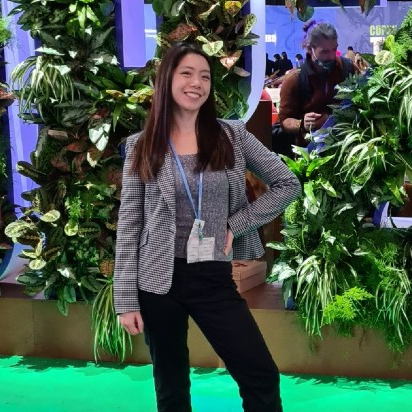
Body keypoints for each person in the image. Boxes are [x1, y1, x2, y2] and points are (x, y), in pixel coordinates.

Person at [114, 42, 300, 412]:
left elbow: (287, 184)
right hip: (156, 281)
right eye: (186, 73)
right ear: (166, 80)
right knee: (171, 388)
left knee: (260, 373)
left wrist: (238, 223)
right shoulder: (140, 146)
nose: (196, 83)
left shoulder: (232, 136)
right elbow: (130, 222)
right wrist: (125, 300)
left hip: (212, 275)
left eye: (204, 76)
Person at [277, 20, 353, 153]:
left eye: (334, 49)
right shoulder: (294, 79)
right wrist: (301, 123)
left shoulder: (348, 69)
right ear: (309, 48)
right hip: (310, 154)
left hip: (347, 149)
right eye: (324, 52)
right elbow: (284, 121)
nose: (331, 56)